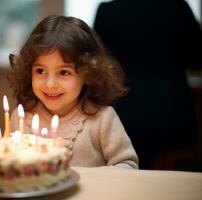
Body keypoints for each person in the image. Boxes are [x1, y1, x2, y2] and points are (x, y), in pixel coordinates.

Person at [7, 15, 138, 169]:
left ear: (88, 73)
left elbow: (128, 164)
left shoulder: (102, 119)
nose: (50, 84)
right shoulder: (21, 118)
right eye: (40, 70)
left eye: (64, 72)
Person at [94, 0, 202, 169]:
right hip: (172, 109)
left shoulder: (109, 11)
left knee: (128, 176)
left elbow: (98, 63)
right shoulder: (177, 7)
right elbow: (196, 59)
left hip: (124, 109)